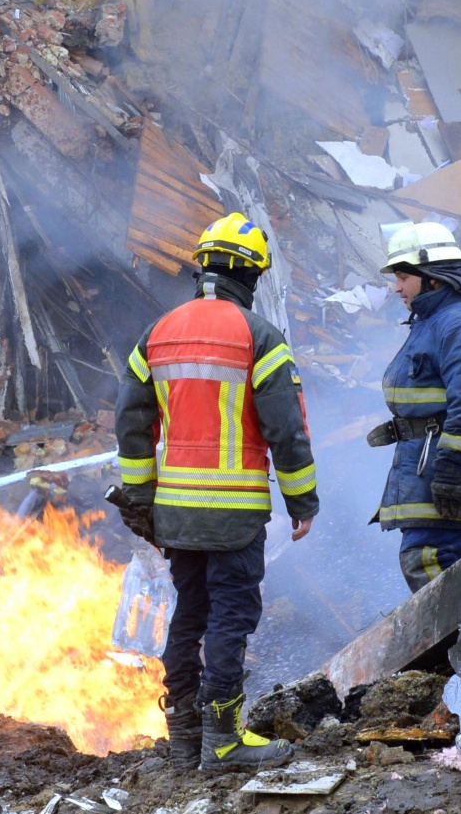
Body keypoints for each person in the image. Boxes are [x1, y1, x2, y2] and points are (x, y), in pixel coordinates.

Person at [112, 213, 318, 773]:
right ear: (252, 275)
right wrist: (303, 501)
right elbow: (286, 430)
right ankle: (224, 742)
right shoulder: (259, 336)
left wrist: (138, 495)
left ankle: (184, 739)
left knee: (190, 612)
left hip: (175, 514)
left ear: (202, 266)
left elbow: (132, 422)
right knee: (230, 615)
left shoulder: (157, 332)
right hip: (235, 513)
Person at [371, 222, 461, 592]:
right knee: (435, 561)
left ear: (433, 278)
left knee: (430, 559)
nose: (397, 287)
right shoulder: (434, 323)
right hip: (425, 465)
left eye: (403, 277)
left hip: (447, 470)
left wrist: (449, 470)